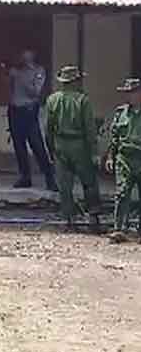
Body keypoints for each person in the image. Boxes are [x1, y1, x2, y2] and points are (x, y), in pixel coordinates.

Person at [44, 65, 102, 232]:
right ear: (76, 81)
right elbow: (90, 129)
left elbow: (48, 128)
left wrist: (51, 149)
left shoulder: (52, 100)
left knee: (65, 185)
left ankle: (69, 219)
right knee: (89, 182)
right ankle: (93, 216)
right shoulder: (83, 100)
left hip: (60, 145)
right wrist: (94, 152)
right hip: (79, 145)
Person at [4, 50, 58, 191]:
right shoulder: (15, 70)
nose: (23, 55)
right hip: (15, 110)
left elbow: (35, 92)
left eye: (26, 53)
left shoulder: (39, 71)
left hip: (28, 110)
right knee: (19, 146)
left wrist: (20, 78)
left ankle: (49, 177)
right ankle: (25, 176)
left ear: (32, 55)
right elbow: (10, 89)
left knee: (37, 145)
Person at [105, 78, 141, 243]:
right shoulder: (121, 113)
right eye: (127, 93)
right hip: (124, 158)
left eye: (132, 93)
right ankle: (119, 228)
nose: (129, 97)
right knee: (122, 192)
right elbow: (114, 138)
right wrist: (111, 157)